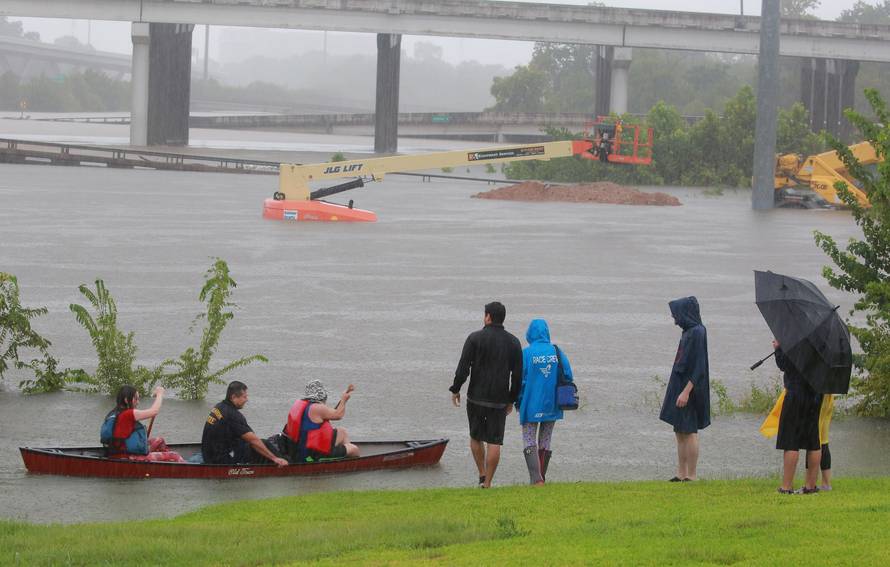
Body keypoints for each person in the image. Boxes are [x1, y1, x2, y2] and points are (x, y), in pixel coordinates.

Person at [450, 301, 522, 488]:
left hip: (475, 397)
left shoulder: (474, 338)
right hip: (499, 400)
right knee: (494, 441)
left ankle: (481, 474)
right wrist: (512, 399)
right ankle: (488, 482)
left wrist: (456, 388)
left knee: (475, 437)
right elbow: (517, 375)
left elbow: (463, 368)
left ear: (488, 316)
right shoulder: (514, 342)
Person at [659, 296, 710, 482]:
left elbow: (699, 365)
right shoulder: (687, 332)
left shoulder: (698, 332)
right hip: (679, 383)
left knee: (690, 430)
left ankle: (692, 474)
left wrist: (687, 391)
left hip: (690, 386)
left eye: (676, 316)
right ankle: (680, 473)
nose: (675, 320)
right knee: (679, 430)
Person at [516, 319, 573, 485]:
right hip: (552, 404)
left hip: (530, 404)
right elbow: (568, 375)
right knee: (545, 439)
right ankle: (542, 477)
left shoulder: (526, 353)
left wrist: (518, 402)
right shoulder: (557, 351)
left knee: (529, 440)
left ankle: (536, 480)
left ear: (530, 333)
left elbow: (520, 381)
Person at [772, 340, 822, 494]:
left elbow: (784, 364)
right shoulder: (823, 337)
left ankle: (786, 487)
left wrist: (778, 348)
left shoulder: (794, 335)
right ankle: (810, 486)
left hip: (795, 391)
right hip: (816, 391)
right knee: (813, 439)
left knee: (790, 440)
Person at [200, 380, 288, 467]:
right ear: (234, 397)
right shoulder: (233, 415)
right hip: (221, 461)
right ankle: (285, 463)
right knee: (264, 443)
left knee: (251, 442)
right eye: (244, 397)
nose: (247, 400)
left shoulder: (219, 407)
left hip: (207, 455)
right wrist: (274, 458)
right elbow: (253, 440)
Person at [101, 385, 185, 462]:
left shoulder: (115, 412)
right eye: (136, 399)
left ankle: (164, 463)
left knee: (159, 440)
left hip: (120, 451)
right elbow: (154, 411)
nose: (138, 402)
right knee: (174, 455)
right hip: (129, 456)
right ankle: (180, 465)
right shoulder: (128, 414)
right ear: (126, 400)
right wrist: (160, 394)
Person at [282, 380, 360, 462]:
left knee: (342, 432)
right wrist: (344, 399)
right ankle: (346, 463)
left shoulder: (304, 405)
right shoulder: (317, 408)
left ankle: (343, 457)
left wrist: (343, 397)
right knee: (354, 449)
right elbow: (338, 415)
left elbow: (333, 412)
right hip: (313, 455)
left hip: (302, 449)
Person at [807, 394, 834, 491]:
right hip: (828, 399)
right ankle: (826, 484)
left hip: (819, 399)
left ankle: (810, 483)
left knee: (812, 441)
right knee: (823, 441)